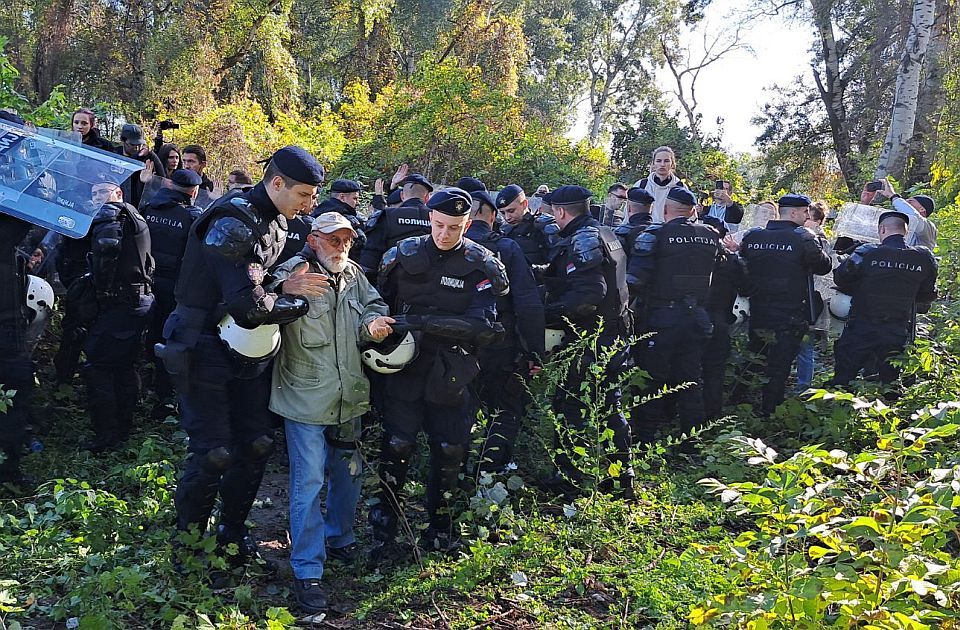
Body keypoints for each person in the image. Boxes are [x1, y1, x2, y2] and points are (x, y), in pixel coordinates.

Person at [158, 146, 328, 571]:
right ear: (276, 183)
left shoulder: (274, 221)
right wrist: (297, 301)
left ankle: (231, 535)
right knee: (214, 451)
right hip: (202, 341)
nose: (309, 205)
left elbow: (258, 289)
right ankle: (188, 549)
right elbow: (251, 305)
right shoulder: (232, 220)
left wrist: (281, 287)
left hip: (245, 345)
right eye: (304, 195)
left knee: (256, 444)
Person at [369, 188, 509, 555]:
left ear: (468, 223)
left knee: (449, 448)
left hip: (453, 367)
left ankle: (441, 524)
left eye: (455, 227)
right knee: (398, 443)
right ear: (430, 218)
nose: (446, 234)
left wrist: (423, 321)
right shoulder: (402, 255)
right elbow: (378, 302)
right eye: (440, 225)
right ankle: (385, 524)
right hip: (403, 363)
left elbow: (483, 325)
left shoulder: (482, 263)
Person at [267, 212, 393, 613]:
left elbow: (372, 305)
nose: (342, 246)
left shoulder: (354, 274)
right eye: (334, 239)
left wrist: (373, 322)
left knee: (348, 472)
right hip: (304, 396)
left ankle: (340, 539)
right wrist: (282, 288)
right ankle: (307, 569)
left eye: (347, 240)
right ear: (314, 239)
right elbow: (259, 305)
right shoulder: (294, 270)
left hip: (348, 396)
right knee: (308, 482)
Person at [541, 185, 633, 495]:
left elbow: (589, 295)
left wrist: (545, 314)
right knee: (609, 405)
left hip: (592, 338)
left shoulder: (583, 239)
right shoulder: (604, 232)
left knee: (572, 405)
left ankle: (568, 479)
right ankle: (621, 478)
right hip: (615, 331)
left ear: (561, 212)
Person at [628, 187, 722, 442]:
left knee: (652, 376)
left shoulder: (657, 234)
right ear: (693, 211)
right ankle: (691, 440)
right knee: (691, 378)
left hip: (663, 317)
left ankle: (644, 439)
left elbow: (635, 279)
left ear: (665, 210)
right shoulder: (711, 236)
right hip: (698, 318)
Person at [465, 190, 545, 472]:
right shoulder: (508, 248)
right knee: (505, 409)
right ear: (493, 216)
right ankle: (491, 471)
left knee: (460, 407)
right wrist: (534, 351)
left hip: (455, 344)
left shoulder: (446, 246)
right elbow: (528, 303)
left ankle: (457, 471)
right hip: (500, 343)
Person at [735, 194, 832, 416]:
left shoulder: (753, 237)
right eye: (806, 211)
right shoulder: (804, 238)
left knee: (754, 356)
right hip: (789, 313)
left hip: (759, 309)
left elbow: (742, 267)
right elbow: (824, 266)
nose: (808, 216)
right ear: (794, 212)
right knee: (779, 365)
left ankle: (736, 400)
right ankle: (770, 411)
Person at [80, 180, 155, 451]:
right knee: (123, 365)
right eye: (94, 192)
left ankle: (107, 435)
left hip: (122, 302)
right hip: (138, 300)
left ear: (118, 193)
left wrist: (99, 291)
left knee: (98, 367)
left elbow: (107, 252)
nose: (98, 198)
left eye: (103, 191)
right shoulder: (134, 216)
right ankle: (123, 428)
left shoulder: (113, 216)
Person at [831, 210, 937, 386]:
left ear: (882, 230)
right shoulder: (924, 257)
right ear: (906, 232)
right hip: (897, 328)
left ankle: (837, 409)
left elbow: (841, 279)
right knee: (892, 382)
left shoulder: (866, 253)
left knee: (844, 377)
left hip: (861, 326)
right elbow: (927, 295)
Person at [141, 169, 203, 406]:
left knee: (146, 332)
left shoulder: (148, 208)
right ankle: (163, 393)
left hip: (145, 281)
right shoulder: (192, 217)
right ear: (194, 191)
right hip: (174, 287)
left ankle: (144, 379)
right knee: (168, 338)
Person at [699, 216, 751, 420]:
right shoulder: (730, 261)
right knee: (714, 373)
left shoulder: (690, 256)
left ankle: (676, 415)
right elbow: (747, 288)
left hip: (691, 318)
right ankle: (712, 417)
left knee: (685, 369)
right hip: (719, 321)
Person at [359, 173, 433, 275]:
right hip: (431, 282)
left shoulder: (387, 215)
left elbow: (370, 257)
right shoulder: (439, 219)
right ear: (427, 197)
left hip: (394, 282)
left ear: (402, 195)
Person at [794, 201, 830, 391]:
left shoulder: (820, 241)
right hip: (798, 297)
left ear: (817, 222)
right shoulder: (799, 237)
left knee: (805, 345)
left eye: (809, 218)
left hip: (810, 299)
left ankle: (803, 386)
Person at [863, 179, 938, 250]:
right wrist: (865, 203)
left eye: (910, 201)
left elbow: (914, 217)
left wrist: (892, 195)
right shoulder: (898, 225)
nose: (906, 202)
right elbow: (866, 230)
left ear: (922, 209)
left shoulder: (928, 227)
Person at [496, 184, 558, 268]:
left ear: (524, 204)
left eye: (511, 211)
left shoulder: (544, 227)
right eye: (503, 213)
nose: (507, 217)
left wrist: (537, 270)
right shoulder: (503, 231)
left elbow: (559, 263)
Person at [311, 179, 366, 261]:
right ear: (342, 197)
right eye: (355, 198)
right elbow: (360, 245)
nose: (358, 203)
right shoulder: (348, 219)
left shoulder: (317, 213)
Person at [115, 123, 166, 208]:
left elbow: (162, 181)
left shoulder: (148, 157)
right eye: (132, 144)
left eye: (139, 144)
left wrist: (149, 182)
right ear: (123, 140)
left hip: (139, 206)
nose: (137, 148)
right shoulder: (114, 154)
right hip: (118, 203)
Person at [632, 146, 682, 223]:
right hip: (644, 231)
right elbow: (629, 213)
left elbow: (690, 217)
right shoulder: (641, 186)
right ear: (653, 163)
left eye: (666, 161)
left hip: (670, 232)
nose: (662, 164)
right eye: (658, 161)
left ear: (672, 164)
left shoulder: (680, 188)